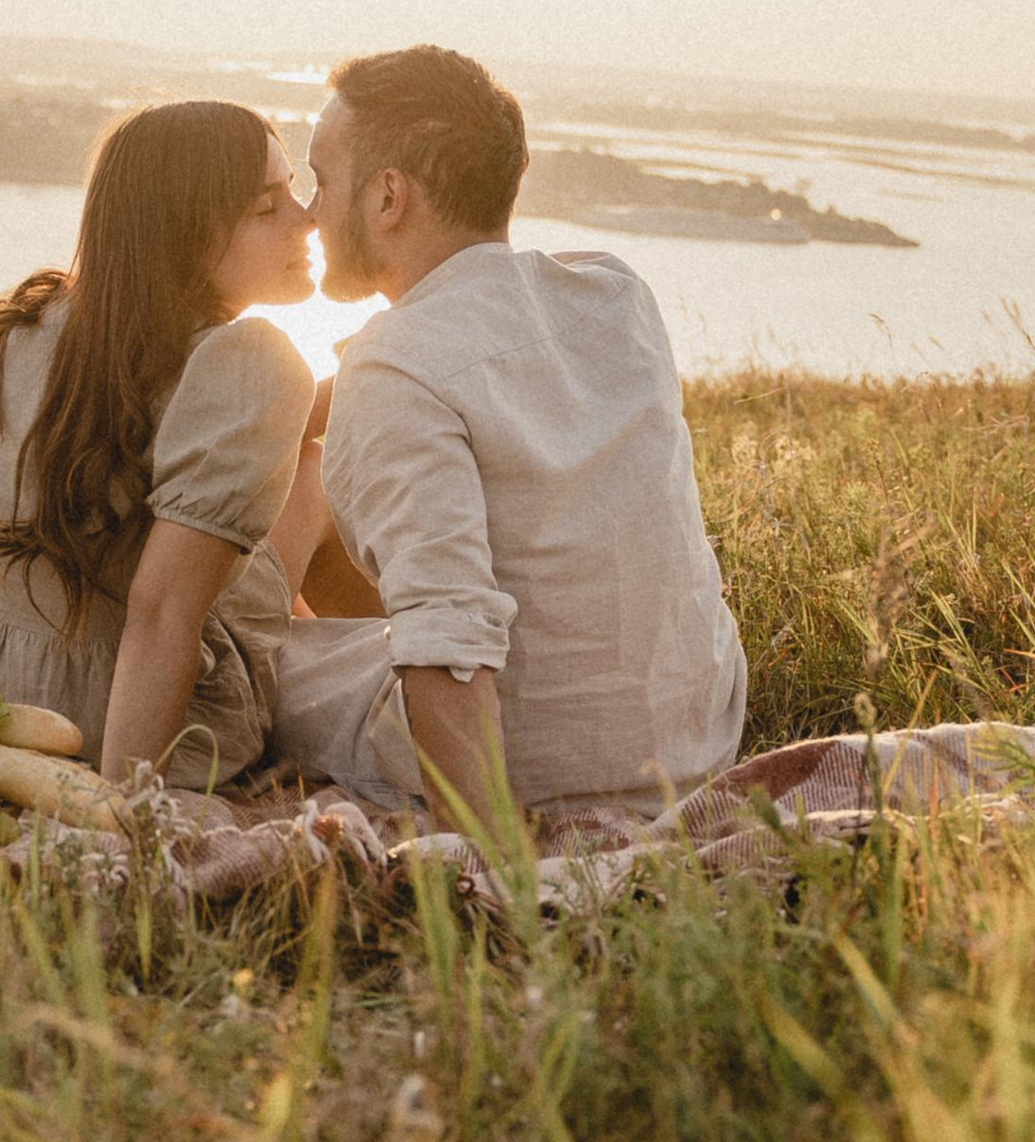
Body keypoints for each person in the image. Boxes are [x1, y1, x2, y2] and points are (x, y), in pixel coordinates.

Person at [269, 44, 748, 830]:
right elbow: (481, 369)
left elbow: (448, 642)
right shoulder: (614, 294)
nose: (312, 211)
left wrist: (496, 876)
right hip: (692, 736)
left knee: (255, 665)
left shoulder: (397, 369)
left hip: (537, 765)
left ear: (389, 196)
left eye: (323, 180)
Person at [0, 101, 324, 785]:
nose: (307, 217)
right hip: (88, 722)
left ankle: (325, 649)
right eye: (269, 207)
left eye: (294, 189)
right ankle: (387, 679)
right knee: (321, 471)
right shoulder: (250, 365)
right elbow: (160, 610)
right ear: (185, 235)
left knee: (305, 451)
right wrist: (118, 814)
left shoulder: (16, 328)